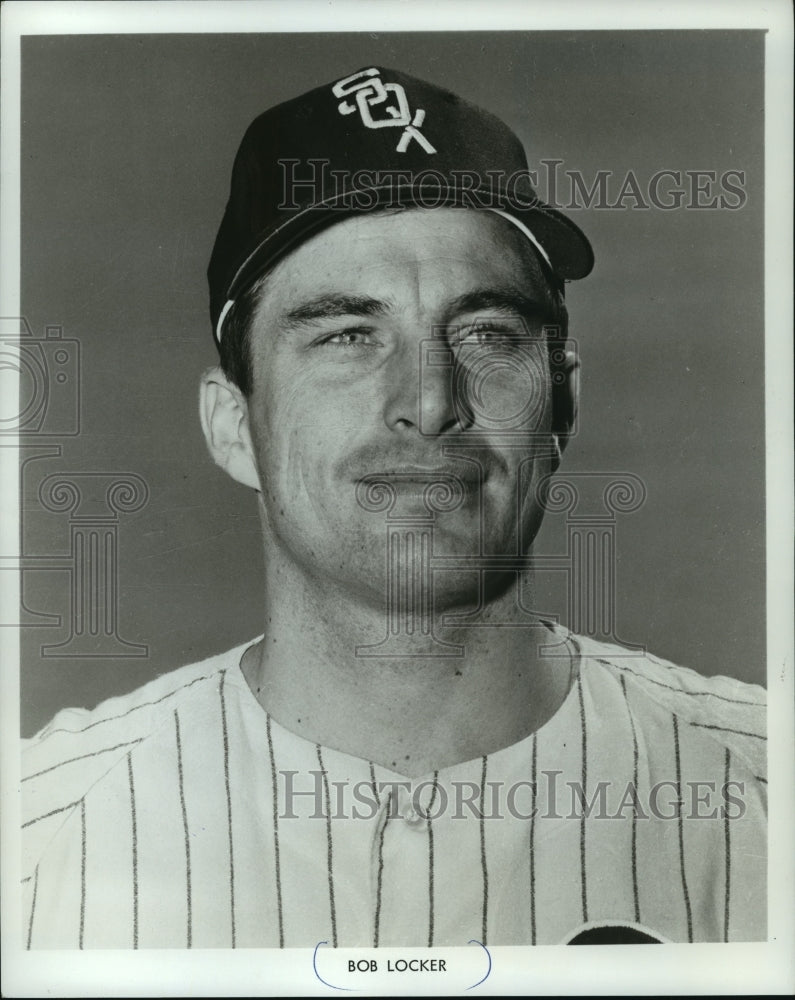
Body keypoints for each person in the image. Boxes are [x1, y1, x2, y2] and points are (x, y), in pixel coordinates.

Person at [21, 66, 766, 949]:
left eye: (484, 333)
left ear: (562, 404)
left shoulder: (762, 790)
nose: (428, 399)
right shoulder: (38, 836)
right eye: (345, 335)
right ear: (232, 424)